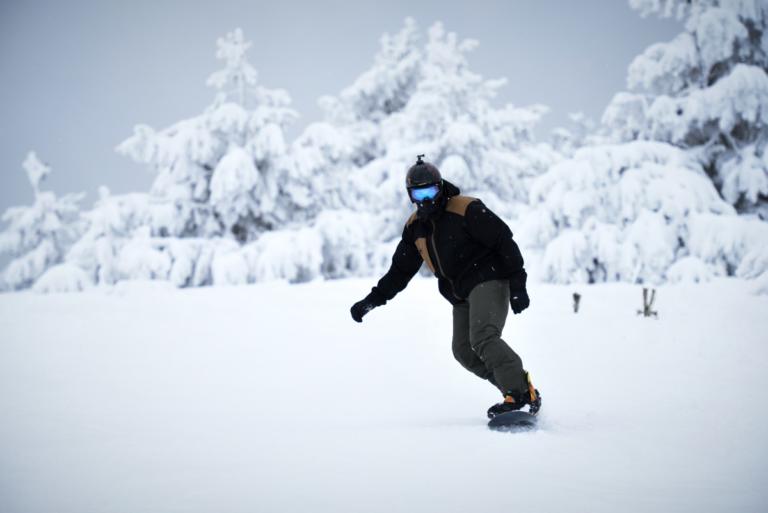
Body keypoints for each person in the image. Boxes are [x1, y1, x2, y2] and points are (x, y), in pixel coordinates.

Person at [350, 155, 541, 418]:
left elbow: (504, 241)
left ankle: (518, 394)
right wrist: (373, 299)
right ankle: (516, 389)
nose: (426, 199)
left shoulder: (466, 209)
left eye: (430, 190)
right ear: (411, 196)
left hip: (489, 278)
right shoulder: (415, 227)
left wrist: (518, 285)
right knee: (462, 351)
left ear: (440, 187)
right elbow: (400, 271)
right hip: (460, 294)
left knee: (483, 337)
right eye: (419, 193)